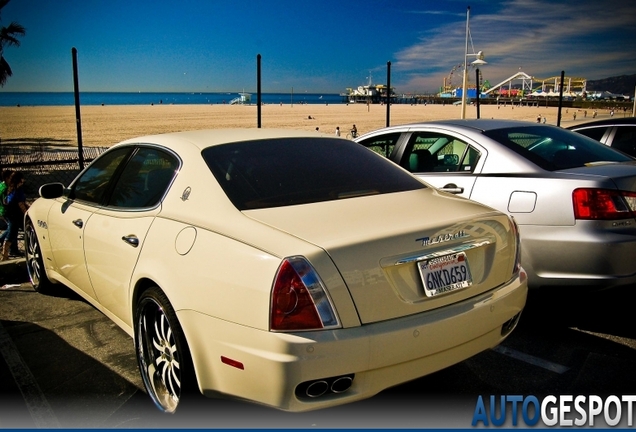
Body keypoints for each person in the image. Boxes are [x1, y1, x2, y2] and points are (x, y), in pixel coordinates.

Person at [1, 171, 29, 260]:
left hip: (9, 214)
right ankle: (4, 255)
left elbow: (7, 201)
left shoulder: (10, 189)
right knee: (12, 233)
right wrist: (27, 213)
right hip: (15, 215)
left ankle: (5, 254)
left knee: (12, 231)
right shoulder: (18, 190)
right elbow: (21, 204)